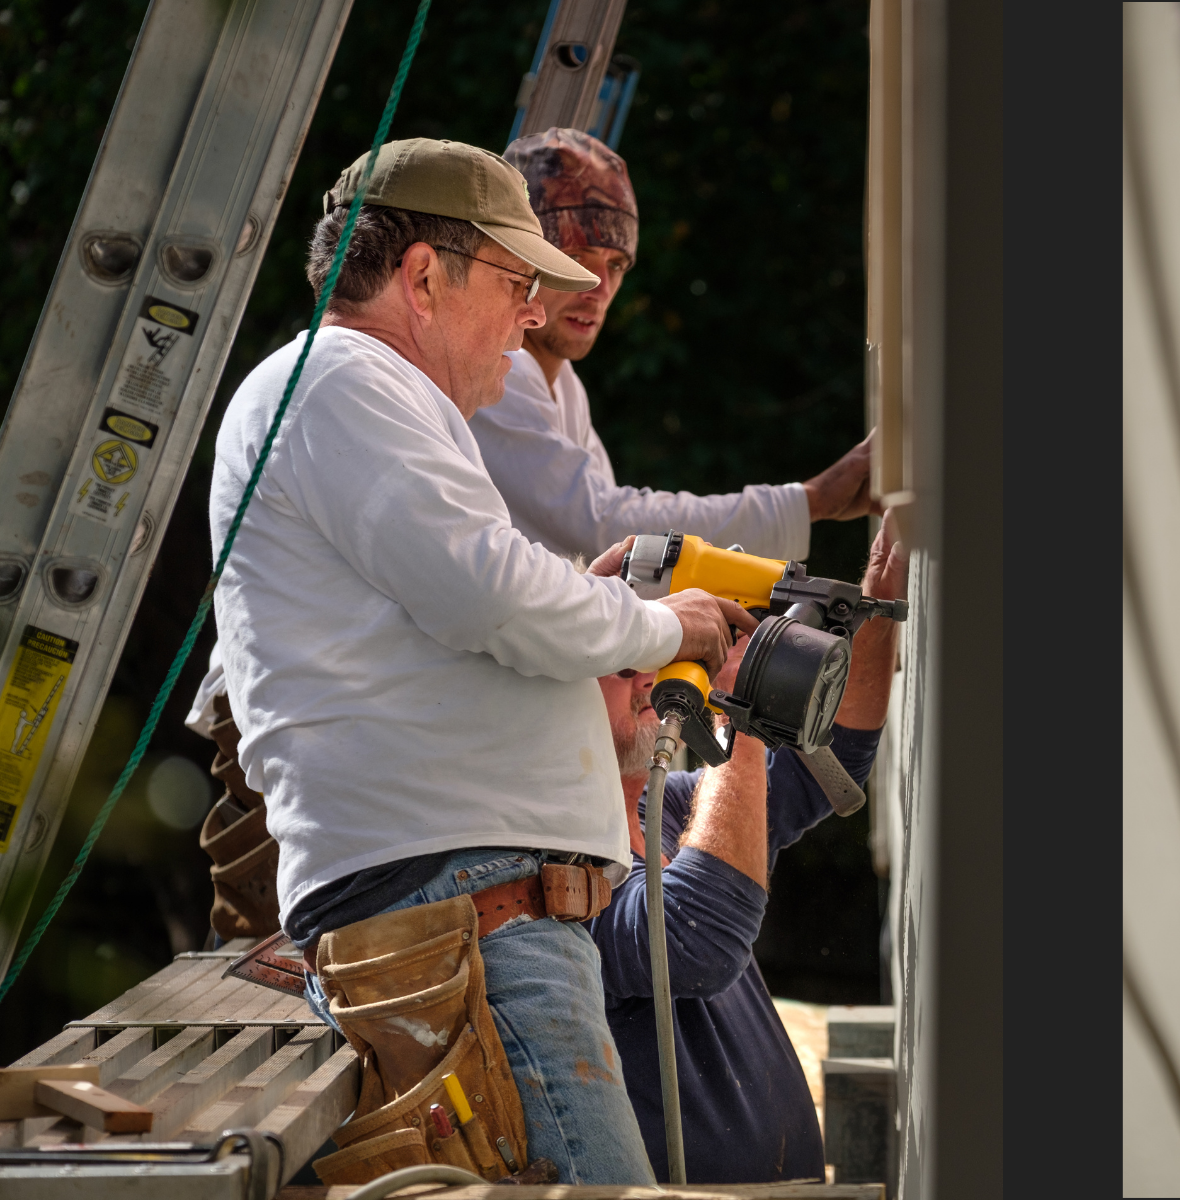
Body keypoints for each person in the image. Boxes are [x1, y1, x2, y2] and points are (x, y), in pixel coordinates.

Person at [210, 137, 757, 1184]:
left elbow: (464, 610)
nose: (532, 314)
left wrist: (592, 646)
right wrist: (664, 627)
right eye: (515, 284)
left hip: (469, 910)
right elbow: (488, 591)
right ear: (423, 277)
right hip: (464, 913)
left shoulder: (360, 395)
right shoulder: (342, 381)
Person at [589, 514, 904, 1183]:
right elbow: (694, 936)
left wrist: (882, 591)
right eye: (622, 663)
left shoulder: (662, 804)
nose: (650, 676)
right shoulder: (552, 872)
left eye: (655, 649)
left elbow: (832, 756)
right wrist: (745, 715)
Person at [471, 126, 876, 562]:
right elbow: (604, 528)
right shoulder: (501, 368)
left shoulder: (563, 384)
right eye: (576, 256)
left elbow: (610, 550)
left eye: (618, 264)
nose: (600, 287)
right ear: (520, 258)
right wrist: (810, 500)